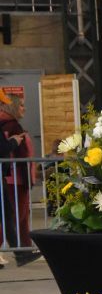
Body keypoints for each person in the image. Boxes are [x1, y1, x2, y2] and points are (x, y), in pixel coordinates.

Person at [0, 91, 40, 265]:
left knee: (9, 217)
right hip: (12, 178)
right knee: (9, 216)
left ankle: (21, 253)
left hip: (7, 176)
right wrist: (15, 142)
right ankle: (21, 252)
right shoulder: (11, 125)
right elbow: (2, 148)